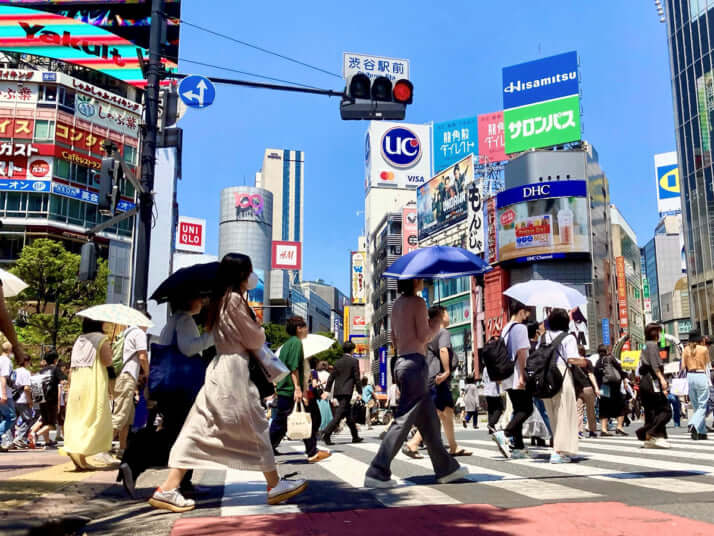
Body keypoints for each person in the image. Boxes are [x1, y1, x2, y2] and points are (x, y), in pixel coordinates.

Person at [149, 254, 307, 512]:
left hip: (219, 368)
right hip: (233, 370)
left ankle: (168, 487)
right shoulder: (233, 300)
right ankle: (274, 484)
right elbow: (254, 340)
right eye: (249, 272)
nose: (252, 277)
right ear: (241, 276)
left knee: (199, 426)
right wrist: (260, 329)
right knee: (253, 423)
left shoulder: (218, 301)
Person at [364, 278, 466, 488]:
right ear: (415, 281)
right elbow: (424, 336)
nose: (422, 281)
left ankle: (446, 468)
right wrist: (435, 324)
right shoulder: (418, 303)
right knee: (403, 420)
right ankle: (377, 471)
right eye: (420, 278)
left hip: (401, 362)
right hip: (415, 364)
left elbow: (393, 338)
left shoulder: (397, 305)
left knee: (429, 421)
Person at [119, 294, 214, 498]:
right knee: (184, 433)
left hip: (170, 385)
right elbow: (189, 348)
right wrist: (210, 336)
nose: (202, 302)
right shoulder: (184, 320)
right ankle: (135, 461)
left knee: (178, 431)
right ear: (188, 300)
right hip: (182, 387)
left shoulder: (172, 321)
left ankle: (181, 480)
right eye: (199, 298)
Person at [403, 306, 471, 457]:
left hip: (428, 376)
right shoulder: (442, 332)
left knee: (446, 411)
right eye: (447, 313)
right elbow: (443, 350)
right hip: (438, 378)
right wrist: (447, 371)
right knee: (436, 413)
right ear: (440, 316)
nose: (449, 317)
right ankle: (413, 443)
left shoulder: (427, 334)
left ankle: (453, 446)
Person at [269, 316, 329, 463]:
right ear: (298, 329)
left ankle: (312, 451)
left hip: (285, 387)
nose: (307, 330)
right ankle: (266, 451)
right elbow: (293, 367)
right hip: (290, 388)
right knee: (282, 422)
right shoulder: (296, 343)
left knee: (290, 420)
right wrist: (297, 388)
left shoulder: (287, 344)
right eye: (305, 327)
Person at [64, 318, 113, 470]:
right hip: (94, 382)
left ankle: (78, 456)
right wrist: (111, 350)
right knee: (95, 418)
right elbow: (107, 361)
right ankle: (80, 450)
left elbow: (72, 366)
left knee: (77, 417)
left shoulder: (79, 340)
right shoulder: (101, 339)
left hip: (77, 382)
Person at [492, 300, 533, 459]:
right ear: (521, 311)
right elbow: (522, 353)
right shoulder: (521, 328)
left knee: (518, 408)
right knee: (527, 409)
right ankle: (505, 433)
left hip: (506, 375)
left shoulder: (505, 328)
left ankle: (518, 446)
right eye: (526, 312)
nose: (527, 316)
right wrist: (523, 375)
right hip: (517, 374)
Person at [539, 309, 581, 463]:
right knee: (564, 413)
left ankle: (558, 447)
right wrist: (585, 361)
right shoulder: (568, 338)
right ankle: (559, 451)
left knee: (552, 415)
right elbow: (572, 359)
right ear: (566, 322)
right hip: (562, 374)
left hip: (545, 377)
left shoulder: (543, 337)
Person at [112, 324, 149, 457]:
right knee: (121, 415)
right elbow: (143, 357)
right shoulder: (139, 333)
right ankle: (101, 450)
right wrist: (148, 372)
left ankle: (122, 449)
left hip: (122, 377)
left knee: (127, 418)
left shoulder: (125, 333)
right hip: (126, 376)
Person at [636, 323, 672, 449]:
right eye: (659, 332)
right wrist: (662, 379)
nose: (661, 335)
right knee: (665, 410)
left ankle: (652, 438)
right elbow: (654, 365)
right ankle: (650, 433)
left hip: (645, 381)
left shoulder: (645, 345)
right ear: (655, 333)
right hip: (652, 380)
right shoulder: (652, 345)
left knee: (651, 411)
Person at [322, 341, 362, 445]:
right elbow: (357, 378)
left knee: (348, 415)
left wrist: (327, 390)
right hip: (347, 391)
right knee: (339, 415)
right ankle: (326, 433)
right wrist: (359, 391)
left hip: (338, 391)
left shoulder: (337, 362)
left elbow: (331, 378)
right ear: (352, 350)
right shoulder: (354, 361)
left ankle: (355, 436)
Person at [34, 350, 65, 448]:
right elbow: (63, 381)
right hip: (52, 399)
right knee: (52, 424)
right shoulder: (56, 369)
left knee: (45, 422)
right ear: (55, 359)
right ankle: (35, 435)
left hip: (41, 399)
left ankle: (47, 442)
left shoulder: (41, 371)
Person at [683, 330, 710, 440]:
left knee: (696, 406)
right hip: (700, 375)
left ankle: (701, 432)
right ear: (699, 339)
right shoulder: (703, 349)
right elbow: (707, 365)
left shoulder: (686, 349)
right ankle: (693, 423)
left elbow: (682, 366)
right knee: (702, 405)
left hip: (690, 376)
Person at [594, 345, 627, 436]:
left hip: (602, 387)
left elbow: (596, 376)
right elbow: (620, 369)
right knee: (620, 405)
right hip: (614, 385)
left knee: (604, 406)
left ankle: (604, 429)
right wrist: (624, 381)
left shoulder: (597, 362)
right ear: (607, 351)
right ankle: (619, 427)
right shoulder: (610, 358)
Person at [11, 355, 33, 449]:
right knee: (28, 419)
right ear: (26, 362)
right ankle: (19, 438)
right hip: (23, 399)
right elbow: (27, 388)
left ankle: (10, 440)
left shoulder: (14, 372)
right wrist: (30, 400)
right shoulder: (26, 372)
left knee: (13, 420)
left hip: (13, 398)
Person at [0, 341, 16, 451]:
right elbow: (3, 377)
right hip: (4, 393)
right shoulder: (6, 361)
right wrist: (4, 394)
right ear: (10, 349)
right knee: (11, 417)